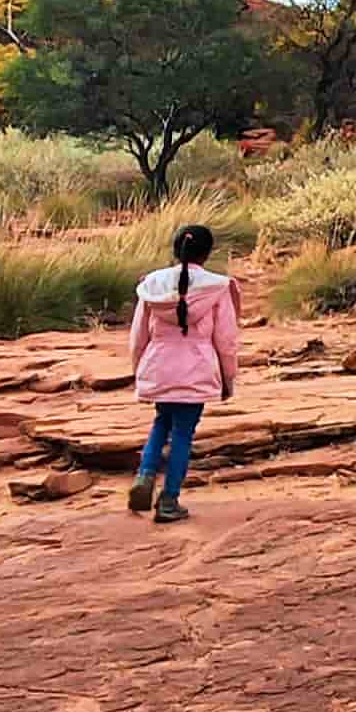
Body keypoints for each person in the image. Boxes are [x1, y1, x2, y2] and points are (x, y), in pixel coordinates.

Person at [124, 223, 239, 523]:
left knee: (161, 422)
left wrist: (140, 372)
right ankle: (169, 500)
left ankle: (144, 477)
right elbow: (226, 341)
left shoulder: (152, 284)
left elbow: (138, 337)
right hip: (197, 368)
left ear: (177, 251)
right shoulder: (218, 287)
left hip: (159, 365)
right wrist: (228, 379)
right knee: (183, 434)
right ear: (207, 252)